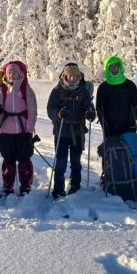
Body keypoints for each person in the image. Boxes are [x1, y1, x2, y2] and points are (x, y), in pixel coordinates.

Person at [46, 63, 95, 198]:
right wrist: (58, 113)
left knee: (76, 161)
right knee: (61, 161)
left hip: (77, 131)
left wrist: (90, 113)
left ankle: (75, 186)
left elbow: (88, 106)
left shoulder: (83, 91)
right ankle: (58, 188)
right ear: (65, 76)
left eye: (75, 76)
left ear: (78, 76)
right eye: (70, 76)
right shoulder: (57, 91)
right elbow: (50, 109)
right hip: (61, 130)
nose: (72, 78)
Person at [0, 61, 37, 197]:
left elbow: (32, 110)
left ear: (20, 74)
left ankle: (25, 186)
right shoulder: (2, 89)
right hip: (6, 130)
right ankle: (8, 186)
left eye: (15, 73)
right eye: (9, 73)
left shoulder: (26, 89)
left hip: (23, 130)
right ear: (6, 74)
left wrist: (29, 128)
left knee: (24, 159)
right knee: (8, 159)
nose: (12, 75)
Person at [95, 55, 137, 139]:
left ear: (120, 67)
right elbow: (99, 109)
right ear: (107, 69)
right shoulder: (103, 87)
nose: (114, 68)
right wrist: (105, 126)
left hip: (128, 126)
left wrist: (132, 122)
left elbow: (136, 104)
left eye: (116, 66)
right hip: (109, 128)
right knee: (112, 151)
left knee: (129, 150)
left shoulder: (129, 85)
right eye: (111, 67)